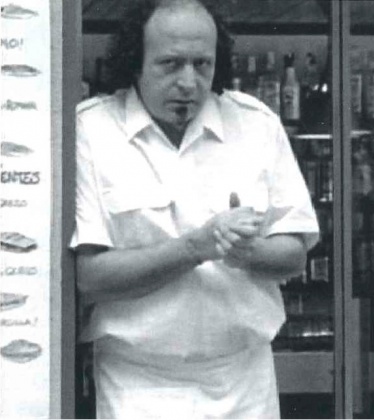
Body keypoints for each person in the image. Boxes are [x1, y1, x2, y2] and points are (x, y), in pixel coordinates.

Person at [71, 0, 318, 417]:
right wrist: (195, 248)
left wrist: (248, 252)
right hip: (139, 379)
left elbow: (294, 253)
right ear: (135, 62)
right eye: (170, 64)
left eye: (202, 65)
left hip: (245, 376)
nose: (189, 82)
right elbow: (90, 276)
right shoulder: (92, 129)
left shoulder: (255, 124)